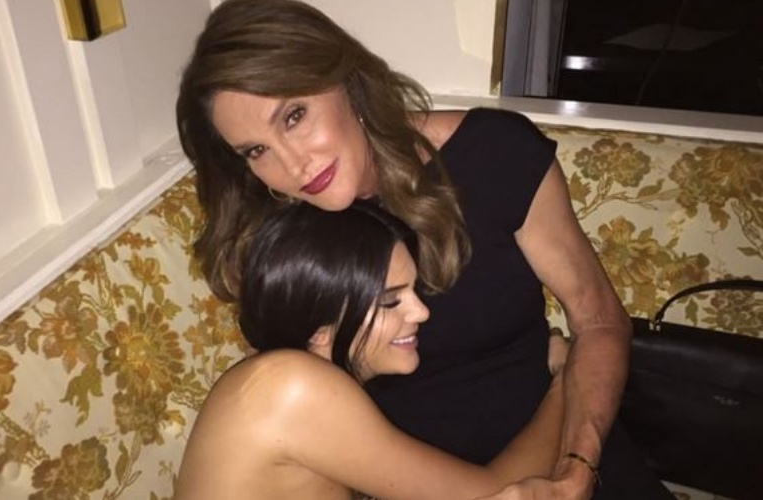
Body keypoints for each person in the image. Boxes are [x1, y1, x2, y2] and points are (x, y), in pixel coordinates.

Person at [176, 1, 674, 498]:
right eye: (256, 150)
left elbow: (599, 320)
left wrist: (577, 466)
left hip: (569, 449)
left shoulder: (491, 154)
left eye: (294, 116)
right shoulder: (275, 235)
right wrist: (560, 382)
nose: (293, 165)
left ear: (344, 78)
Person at [174, 201, 569, 500]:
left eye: (413, 290)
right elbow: (497, 493)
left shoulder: (292, 372)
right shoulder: (294, 389)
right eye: (390, 300)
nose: (421, 312)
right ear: (320, 328)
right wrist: (566, 381)